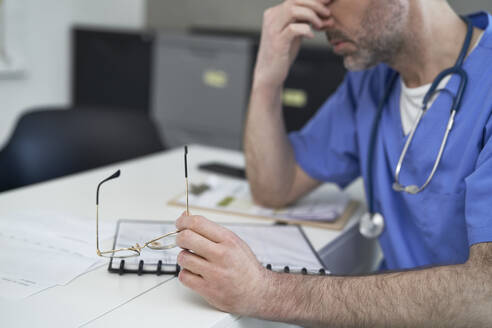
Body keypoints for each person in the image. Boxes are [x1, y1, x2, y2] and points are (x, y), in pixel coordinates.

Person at [175, 0, 492, 326]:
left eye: (327, 0)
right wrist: (267, 79)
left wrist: (266, 291)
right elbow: (275, 187)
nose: (318, 20)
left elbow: (486, 294)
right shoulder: (371, 83)